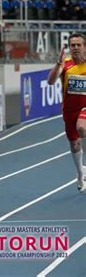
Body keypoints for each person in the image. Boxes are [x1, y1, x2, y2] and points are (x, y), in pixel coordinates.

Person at [47, 33, 86, 192]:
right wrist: (58, 64)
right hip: (69, 110)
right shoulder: (65, 64)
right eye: (73, 45)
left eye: (79, 45)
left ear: (84, 47)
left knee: (82, 128)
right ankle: (80, 173)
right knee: (74, 143)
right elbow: (50, 81)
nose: (75, 48)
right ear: (69, 47)